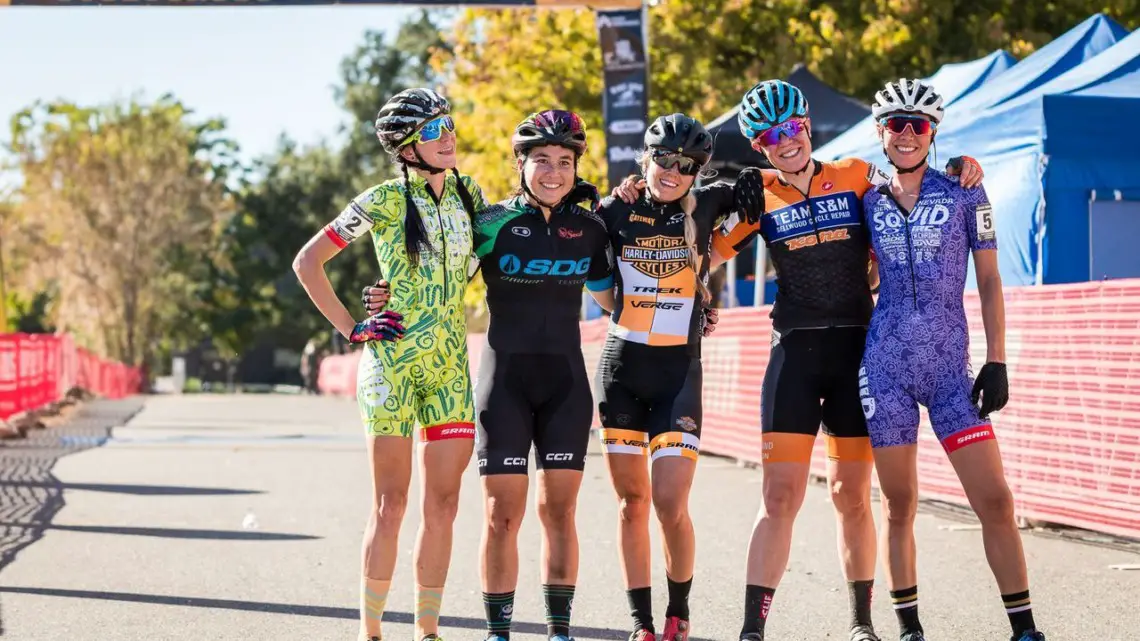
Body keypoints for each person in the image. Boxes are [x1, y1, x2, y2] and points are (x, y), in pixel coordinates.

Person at [709, 79, 985, 641]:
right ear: (758, 147)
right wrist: (713, 205)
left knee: (851, 495)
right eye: (768, 137)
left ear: (808, 126)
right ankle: (750, 631)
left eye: (791, 128)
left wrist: (961, 164)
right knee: (779, 497)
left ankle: (862, 624)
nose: (784, 141)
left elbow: (912, 181)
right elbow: (702, 255)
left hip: (858, 356)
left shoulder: (858, 176)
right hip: (793, 356)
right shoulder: (757, 194)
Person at [363, 110, 620, 641]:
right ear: (520, 164)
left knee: (560, 513)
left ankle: (559, 631)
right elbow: (438, 270)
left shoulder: (592, 229)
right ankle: (498, 633)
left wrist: (694, 296)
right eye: (542, 160)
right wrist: (382, 291)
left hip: (567, 387)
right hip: (503, 384)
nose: (555, 172)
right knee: (502, 515)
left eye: (566, 162)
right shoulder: (489, 223)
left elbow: (615, 300)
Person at [293, 87, 486, 641]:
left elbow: (503, 240)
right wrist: (352, 326)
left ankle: (428, 630)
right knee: (391, 503)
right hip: (391, 367)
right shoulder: (379, 201)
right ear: (405, 148)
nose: (447, 137)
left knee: (444, 504)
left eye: (447, 125)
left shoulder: (470, 193)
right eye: (432, 131)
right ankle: (371, 631)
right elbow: (308, 261)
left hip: (450, 367)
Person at [859, 78, 1045, 641]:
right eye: (897, 124)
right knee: (899, 504)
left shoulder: (966, 191)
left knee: (995, 498)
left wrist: (998, 359)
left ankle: (1025, 629)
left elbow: (989, 280)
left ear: (933, 132)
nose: (908, 134)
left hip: (950, 373)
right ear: (881, 133)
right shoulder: (865, 199)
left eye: (919, 125)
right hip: (885, 367)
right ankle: (909, 626)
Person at [600, 113, 764, 641]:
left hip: (679, 373)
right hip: (622, 369)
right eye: (663, 159)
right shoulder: (612, 210)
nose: (673, 170)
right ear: (645, 159)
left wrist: (751, 181)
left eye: (687, 164)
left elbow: (767, 202)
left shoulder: (710, 201)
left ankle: (679, 611)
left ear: (698, 171)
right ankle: (640, 622)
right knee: (632, 505)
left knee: (670, 503)